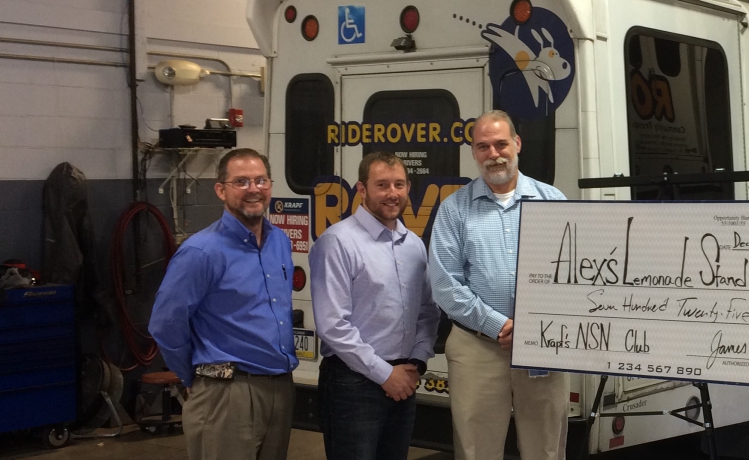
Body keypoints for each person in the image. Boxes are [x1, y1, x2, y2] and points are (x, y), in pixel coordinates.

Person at [428, 110, 569, 460]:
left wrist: (532, 327)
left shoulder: (553, 201)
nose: (494, 154)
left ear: (517, 144)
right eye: (483, 146)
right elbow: (445, 283)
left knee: (546, 449)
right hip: (477, 348)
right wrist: (498, 325)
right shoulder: (454, 209)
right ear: (474, 152)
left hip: (542, 344)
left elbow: (572, 276)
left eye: (501, 144)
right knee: (477, 450)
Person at [149, 148, 297, 460]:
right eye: (241, 182)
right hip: (226, 392)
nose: (253, 189)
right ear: (220, 190)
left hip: (280, 388)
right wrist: (196, 377)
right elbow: (165, 323)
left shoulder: (280, 242)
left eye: (260, 180)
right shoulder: (201, 252)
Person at [310, 152, 440, 460]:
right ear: (362, 189)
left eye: (399, 184)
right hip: (352, 385)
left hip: (404, 379)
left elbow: (427, 311)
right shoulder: (337, 242)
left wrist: (417, 362)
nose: (392, 193)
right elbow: (333, 325)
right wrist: (385, 374)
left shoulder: (413, 244)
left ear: (408, 188)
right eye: (382, 185)